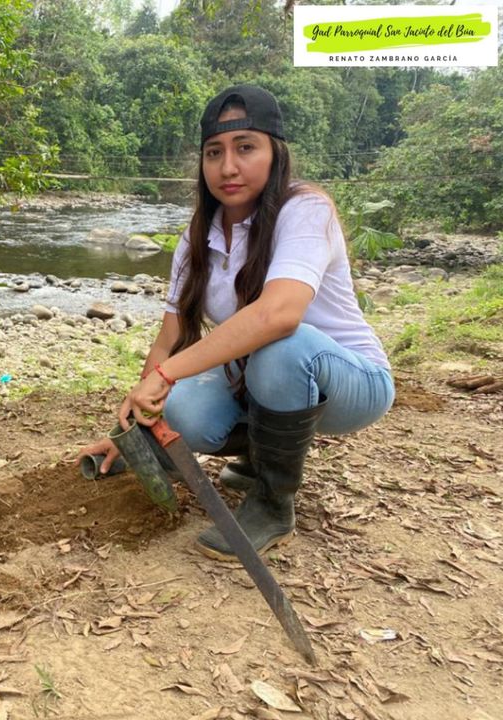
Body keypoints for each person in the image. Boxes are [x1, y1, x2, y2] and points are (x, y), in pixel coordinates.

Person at [78, 85, 394, 561]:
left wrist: (167, 374)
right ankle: (257, 458)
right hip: (262, 382)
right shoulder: (198, 237)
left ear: (275, 154)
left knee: (282, 345)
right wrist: (137, 427)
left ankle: (272, 504)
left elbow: (278, 314)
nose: (228, 167)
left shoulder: (306, 210)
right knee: (183, 408)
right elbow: (170, 337)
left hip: (351, 382)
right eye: (214, 152)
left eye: (245, 147)